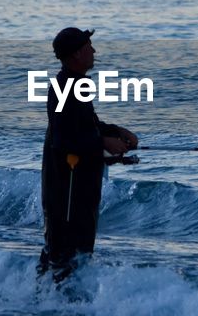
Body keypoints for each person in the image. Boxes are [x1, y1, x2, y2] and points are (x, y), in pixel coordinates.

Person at [38, 27, 138, 280]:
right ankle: (53, 311)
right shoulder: (63, 86)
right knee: (65, 256)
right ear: (75, 55)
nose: (94, 51)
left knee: (74, 256)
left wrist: (116, 131)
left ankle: (54, 307)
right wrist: (104, 142)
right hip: (66, 191)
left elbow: (85, 127)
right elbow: (63, 140)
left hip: (78, 188)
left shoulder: (76, 83)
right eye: (88, 47)